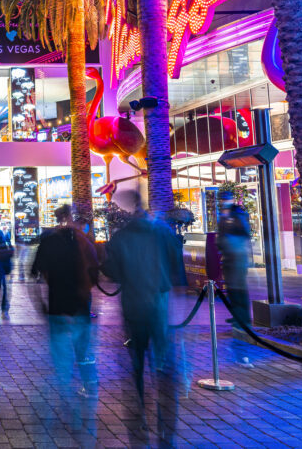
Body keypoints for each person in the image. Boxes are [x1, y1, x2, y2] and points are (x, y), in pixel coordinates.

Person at [101, 191, 184, 448]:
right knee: (163, 362)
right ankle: (165, 427)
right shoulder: (163, 232)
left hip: (134, 305)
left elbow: (111, 272)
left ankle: (139, 417)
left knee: (136, 361)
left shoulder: (120, 237)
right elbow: (177, 265)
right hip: (159, 304)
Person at [30, 204, 98, 441]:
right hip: (80, 305)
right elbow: (96, 272)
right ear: (70, 217)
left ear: (57, 218)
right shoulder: (84, 240)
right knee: (83, 349)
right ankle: (88, 387)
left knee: (61, 356)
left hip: (57, 305)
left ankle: (65, 393)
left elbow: (35, 274)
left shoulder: (49, 242)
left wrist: (40, 303)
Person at [217, 188, 253, 366]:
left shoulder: (237, 214)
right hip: (229, 257)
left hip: (237, 257)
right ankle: (236, 315)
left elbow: (244, 234)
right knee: (231, 287)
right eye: (222, 198)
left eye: (226, 198)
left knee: (239, 287)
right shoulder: (223, 215)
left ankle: (243, 318)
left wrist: (230, 242)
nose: (224, 201)